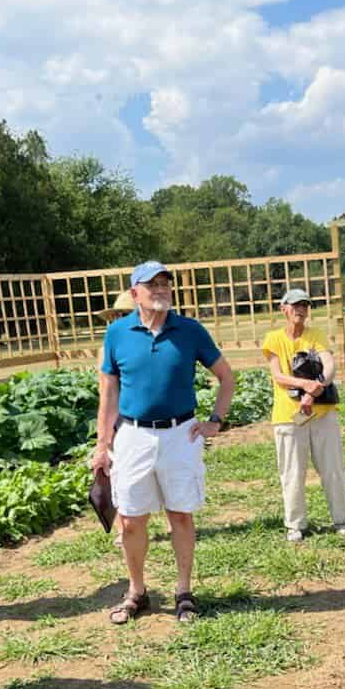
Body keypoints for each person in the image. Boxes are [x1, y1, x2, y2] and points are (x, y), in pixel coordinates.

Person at [90, 261, 234, 625]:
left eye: (165, 284)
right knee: (131, 520)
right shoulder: (117, 334)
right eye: (151, 284)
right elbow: (108, 393)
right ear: (134, 292)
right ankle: (137, 592)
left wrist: (215, 421)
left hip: (180, 434)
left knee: (180, 515)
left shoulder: (189, 330)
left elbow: (225, 377)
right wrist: (101, 445)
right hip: (133, 436)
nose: (160, 290)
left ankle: (184, 592)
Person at [261, 287, 345, 542]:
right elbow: (278, 376)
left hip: (322, 413)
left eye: (305, 305)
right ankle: (295, 525)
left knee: (332, 468)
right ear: (284, 309)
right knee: (292, 472)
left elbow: (329, 365)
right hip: (289, 417)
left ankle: (342, 519)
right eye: (295, 305)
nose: (301, 310)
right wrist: (305, 386)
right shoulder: (273, 339)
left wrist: (315, 390)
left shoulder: (317, 335)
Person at [97, 289, 135, 549]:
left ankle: (170, 519)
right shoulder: (107, 347)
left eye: (126, 314)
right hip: (118, 415)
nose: (120, 319)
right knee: (119, 473)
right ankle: (123, 528)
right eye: (118, 315)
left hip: (143, 416)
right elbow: (105, 388)